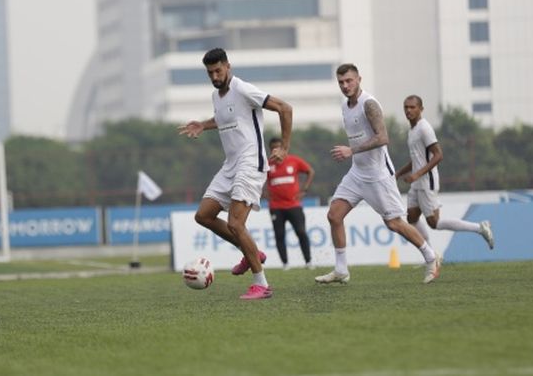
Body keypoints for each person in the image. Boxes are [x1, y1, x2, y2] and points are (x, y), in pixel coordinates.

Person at [178, 48, 293, 300]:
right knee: (204, 215)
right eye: (210, 72)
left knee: (236, 224)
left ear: (228, 66)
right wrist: (204, 125)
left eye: (218, 70)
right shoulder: (216, 96)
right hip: (230, 165)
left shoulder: (243, 89)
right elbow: (227, 118)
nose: (215, 75)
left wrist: (284, 147)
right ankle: (252, 252)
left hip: (250, 163)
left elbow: (284, 108)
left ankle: (261, 284)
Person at [315, 64, 442, 285]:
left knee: (394, 223)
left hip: (378, 175)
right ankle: (341, 270)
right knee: (334, 215)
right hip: (357, 173)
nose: (345, 86)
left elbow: (383, 138)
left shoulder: (369, 104)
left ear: (359, 79)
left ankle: (431, 257)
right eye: (341, 82)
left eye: (349, 81)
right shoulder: (345, 106)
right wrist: (353, 154)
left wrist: (350, 150)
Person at [395, 95, 494, 249]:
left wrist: (417, 174)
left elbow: (438, 155)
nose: (408, 110)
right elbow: (417, 158)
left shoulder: (424, 128)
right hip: (417, 182)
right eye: (406, 107)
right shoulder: (412, 130)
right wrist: (398, 173)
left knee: (435, 223)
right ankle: (431, 257)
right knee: (412, 217)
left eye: (412, 107)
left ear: (421, 109)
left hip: (427, 181)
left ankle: (479, 228)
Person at [265, 137, 315, 270]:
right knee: (279, 235)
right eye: (273, 148)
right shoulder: (267, 164)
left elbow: (310, 171)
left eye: (279, 148)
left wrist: (304, 190)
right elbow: (260, 180)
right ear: (270, 150)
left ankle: (308, 261)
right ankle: (285, 263)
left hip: (294, 205)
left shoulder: (294, 161)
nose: (276, 151)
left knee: (301, 232)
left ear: (284, 148)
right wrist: (264, 194)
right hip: (276, 207)